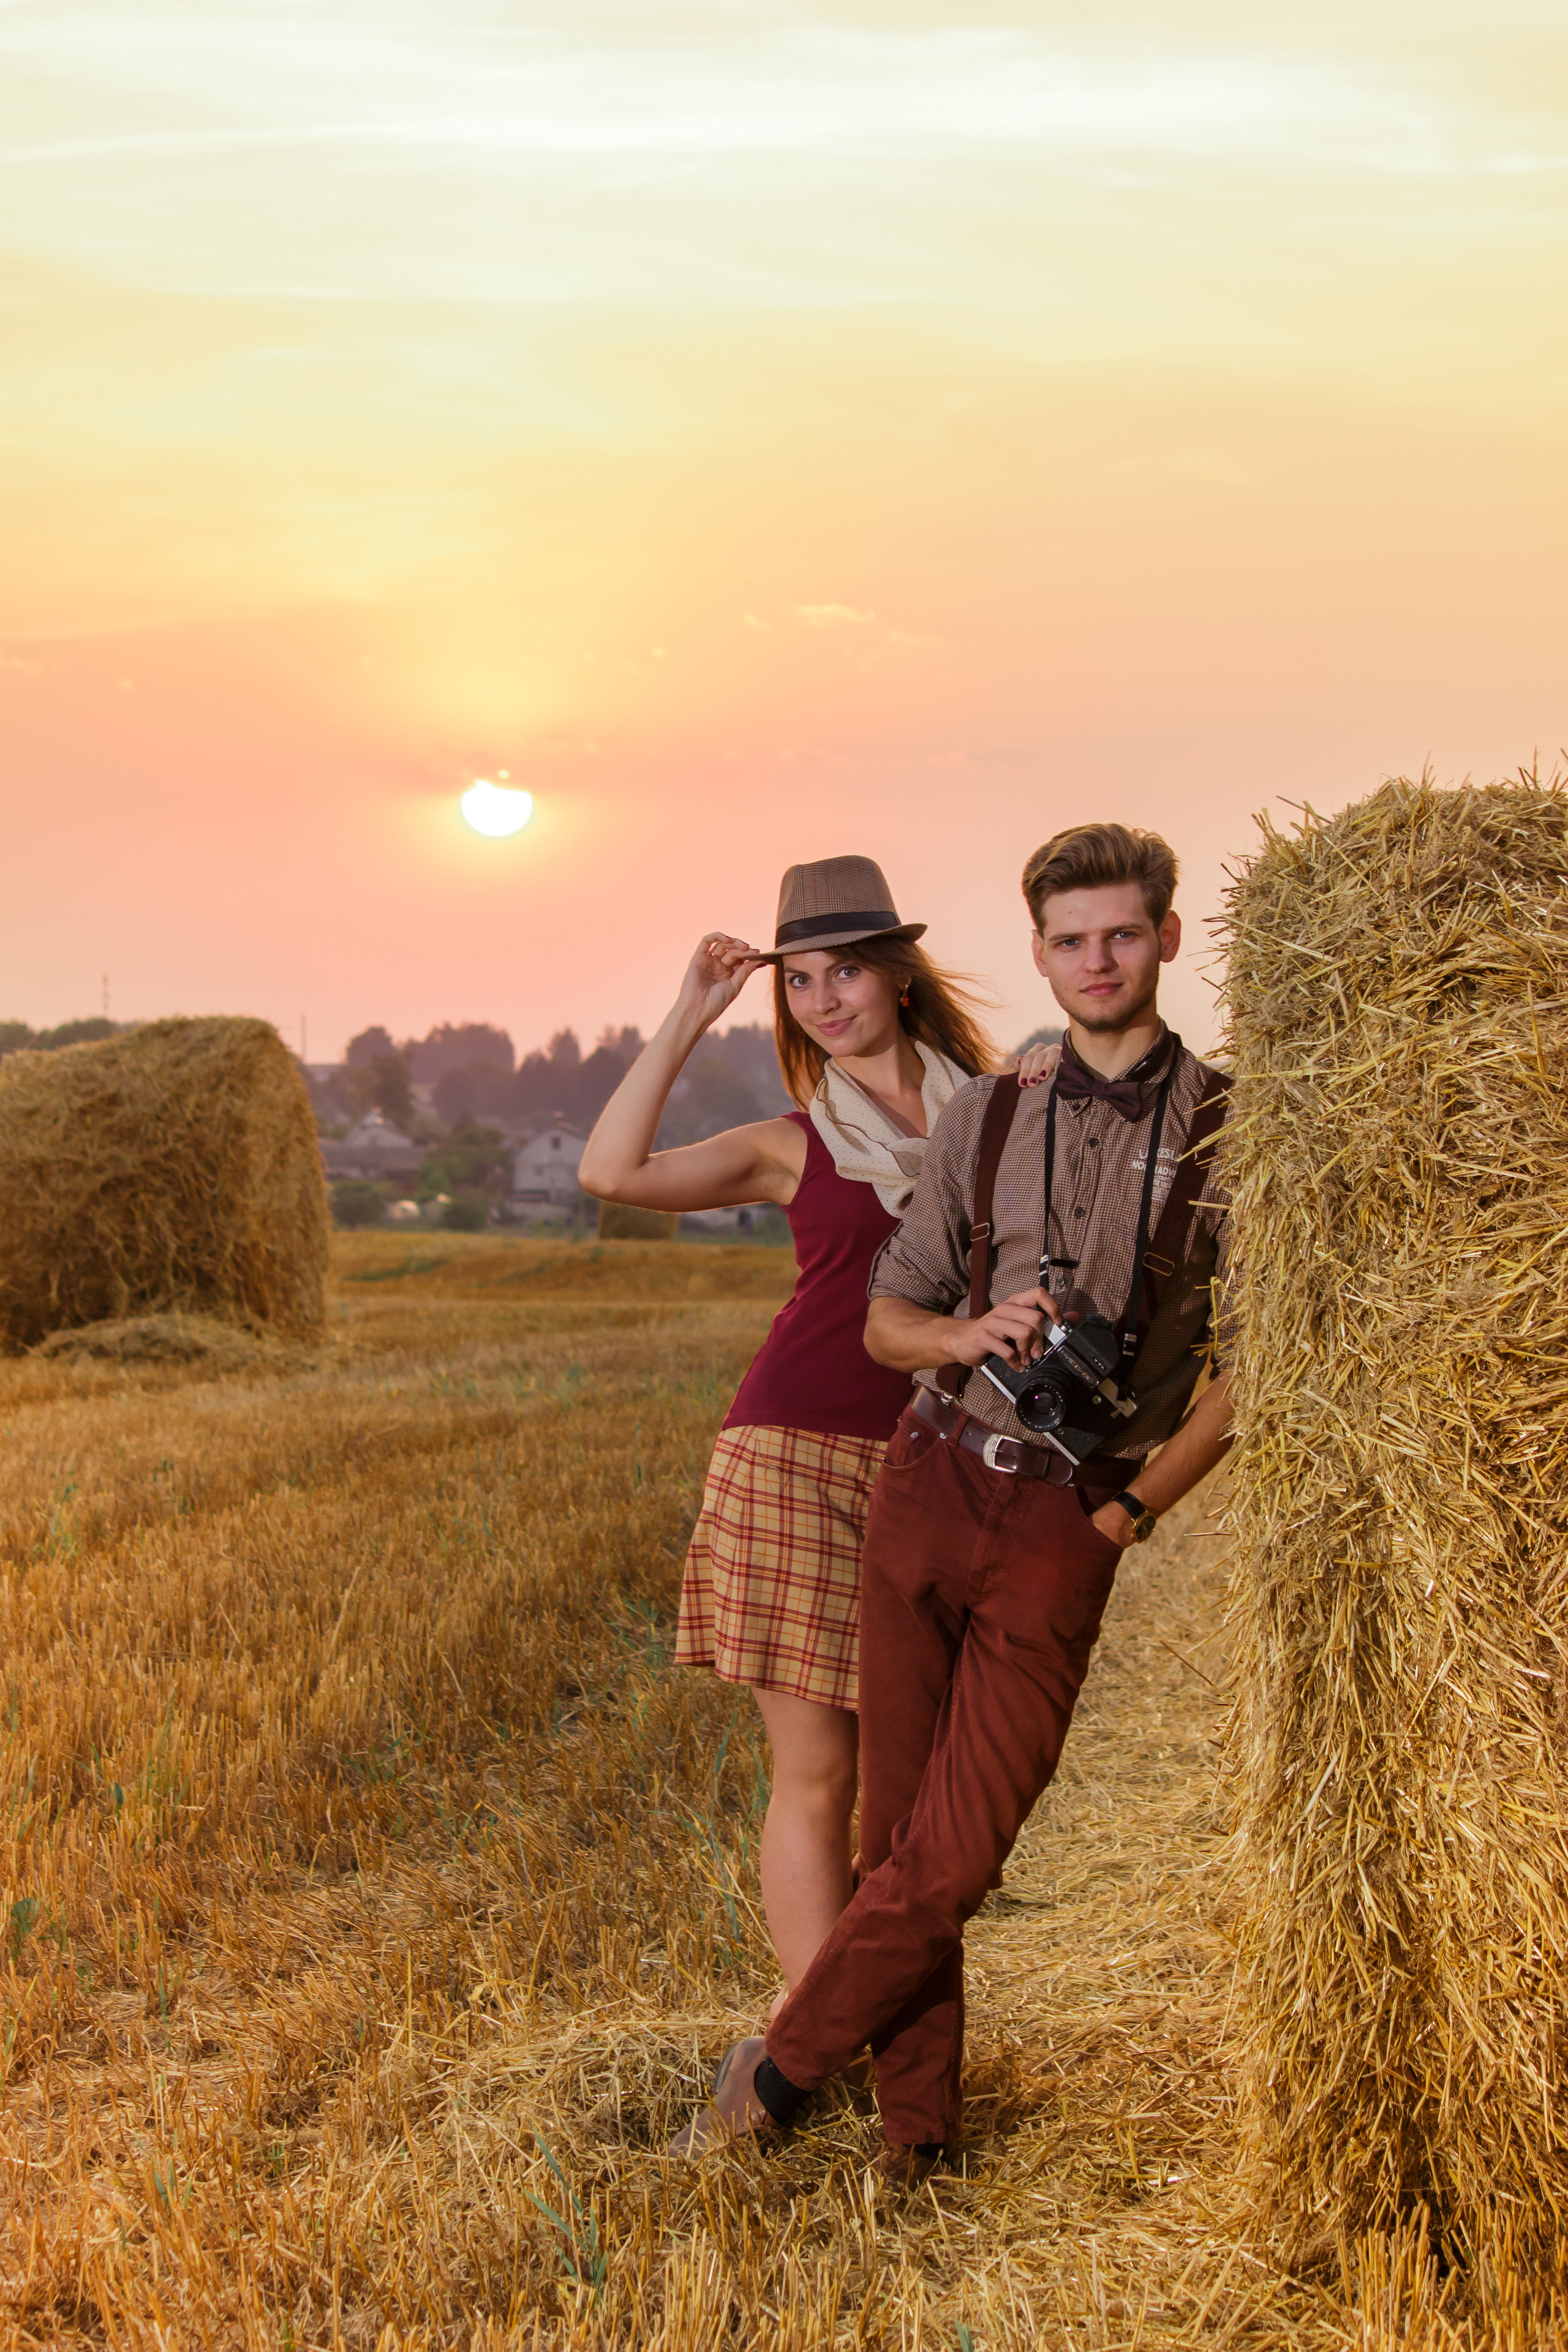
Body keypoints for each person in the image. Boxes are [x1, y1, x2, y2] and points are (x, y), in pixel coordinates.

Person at [673, 820, 1235, 2179]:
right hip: (927, 1482)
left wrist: (1128, 1513)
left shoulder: (1231, 1129)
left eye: (1118, 934)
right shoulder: (986, 1116)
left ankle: (779, 2079)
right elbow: (884, 1319)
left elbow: (1255, 1364)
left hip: (1067, 1519)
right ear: (1036, 953)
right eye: (1066, 939)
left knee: (955, 1853)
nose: (1094, 960)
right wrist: (962, 1335)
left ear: (1164, 938)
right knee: (886, 1841)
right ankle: (917, 2143)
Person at [577, 855, 994, 2064]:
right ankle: (816, 2049)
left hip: (936, 1464)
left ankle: (880, 2027)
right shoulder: (788, 1143)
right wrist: (685, 1014)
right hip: (792, 1458)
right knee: (817, 1776)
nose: (820, 999)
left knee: (913, 1793)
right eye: (797, 981)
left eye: (844, 971)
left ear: (897, 978)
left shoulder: (1000, 1117)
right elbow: (611, 1173)